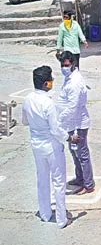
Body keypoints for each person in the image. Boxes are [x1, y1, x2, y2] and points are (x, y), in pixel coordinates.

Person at [22, 66, 72, 229]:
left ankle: (44, 213)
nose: (52, 81)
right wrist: (69, 137)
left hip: (36, 144)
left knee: (42, 179)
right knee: (58, 181)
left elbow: (24, 121)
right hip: (51, 145)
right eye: (50, 79)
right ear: (45, 84)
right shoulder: (48, 103)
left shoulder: (28, 99)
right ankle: (61, 218)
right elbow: (55, 129)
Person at [57, 51, 94, 195]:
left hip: (78, 123)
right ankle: (80, 178)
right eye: (62, 64)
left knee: (82, 153)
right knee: (74, 151)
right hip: (71, 123)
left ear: (73, 64)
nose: (63, 67)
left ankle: (88, 184)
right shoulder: (69, 77)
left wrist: (59, 120)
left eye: (66, 65)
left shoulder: (75, 82)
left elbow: (72, 107)